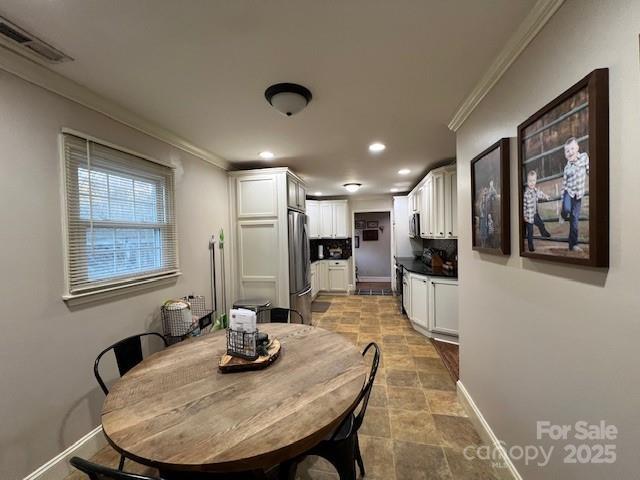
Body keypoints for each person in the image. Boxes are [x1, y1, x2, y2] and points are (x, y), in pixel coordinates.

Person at [561, 137, 589, 252]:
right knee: (567, 209)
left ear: (577, 148)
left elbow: (589, 169)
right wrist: (563, 197)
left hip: (578, 195)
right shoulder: (567, 167)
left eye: (572, 148)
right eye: (567, 151)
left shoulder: (584, 157)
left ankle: (573, 244)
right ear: (565, 154)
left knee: (575, 220)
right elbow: (564, 184)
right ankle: (563, 214)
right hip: (569, 192)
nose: (570, 152)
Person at [523, 170, 551, 252]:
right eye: (530, 181)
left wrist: (546, 197)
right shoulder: (526, 194)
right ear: (527, 182)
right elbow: (524, 206)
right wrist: (524, 216)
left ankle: (544, 233)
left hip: (535, 214)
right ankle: (530, 247)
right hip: (529, 216)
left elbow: (541, 194)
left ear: (536, 181)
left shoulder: (536, 191)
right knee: (530, 232)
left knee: (541, 224)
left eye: (533, 180)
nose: (532, 183)